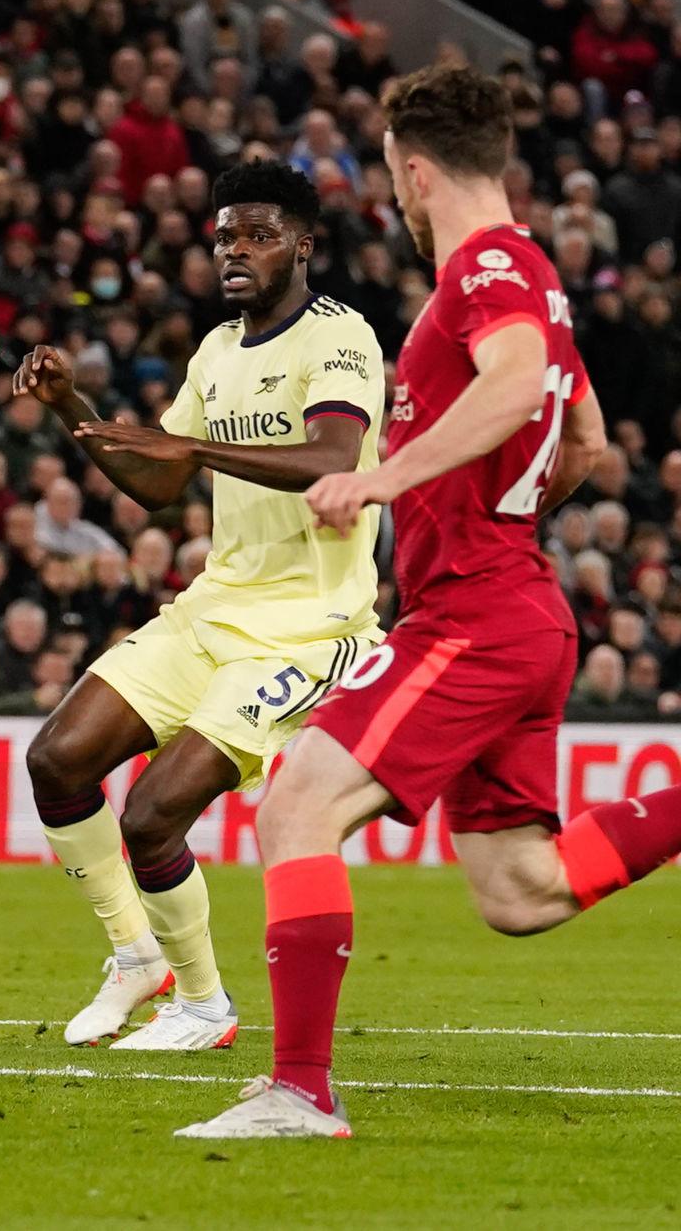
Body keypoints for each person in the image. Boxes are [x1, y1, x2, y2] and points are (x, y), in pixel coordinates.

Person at [178, 67, 650, 1140]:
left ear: (413, 167)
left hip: (474, 615)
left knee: (294, 805)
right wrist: (491, 509)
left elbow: (516, 380)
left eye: (388, 169)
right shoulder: (536, 275)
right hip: (520, 607)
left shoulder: (483, 269)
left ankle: (298, 1090)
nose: (389, 189)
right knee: (519, 889)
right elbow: (584, 442)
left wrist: (386, 478)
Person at [15, 160, 385, 1052]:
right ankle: (135, 956)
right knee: (57, 758)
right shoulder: (218, 352)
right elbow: (158, 485)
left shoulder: (341, 339)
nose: (234, 251)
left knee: (149, 813)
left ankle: (205, 1005)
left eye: (256, 235)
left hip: (307, 628)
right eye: (224, 235)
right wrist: (74, 406)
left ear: (303, 244)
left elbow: (334, 459)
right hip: (213, 608)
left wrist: (189, 445)